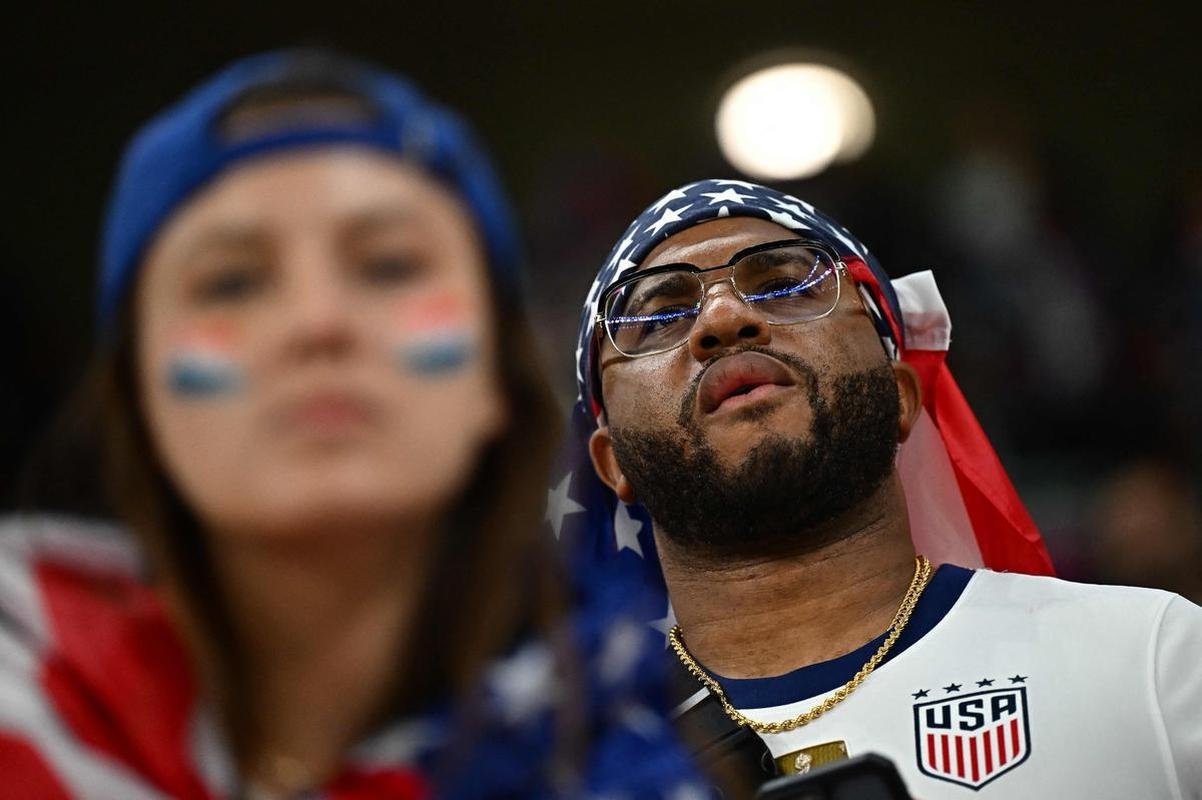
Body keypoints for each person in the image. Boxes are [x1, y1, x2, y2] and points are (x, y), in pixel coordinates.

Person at [0, 50, 705, 799]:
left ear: (496, 377)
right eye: (231, 281)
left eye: (389, 266)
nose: (317, 323)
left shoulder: (677, 741)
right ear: (137, 396)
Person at [553, 179, 1202, 798]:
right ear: (614, 466)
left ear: (900, 394)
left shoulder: (1154, 660)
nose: (724, 318)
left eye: (783, 283)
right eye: (661, 314)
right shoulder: (548, 763)